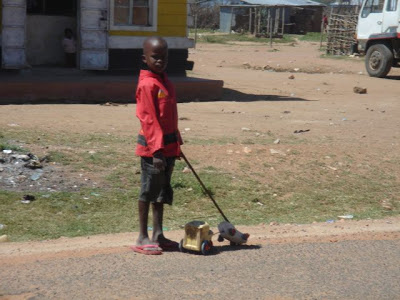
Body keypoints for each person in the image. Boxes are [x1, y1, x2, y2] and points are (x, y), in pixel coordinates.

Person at [131, 36, 183, 255]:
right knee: (149, 191)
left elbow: (169, 117)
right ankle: (142, 237)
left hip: (168, 148)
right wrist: (158, 151)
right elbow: (149, 120)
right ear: (145, 59)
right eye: (156, 57)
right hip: (154, 151)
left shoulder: (165, 81)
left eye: (165, 57)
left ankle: (158, 234)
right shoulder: (147, 84)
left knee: (162, 191)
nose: (161, 61)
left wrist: (176, 144)